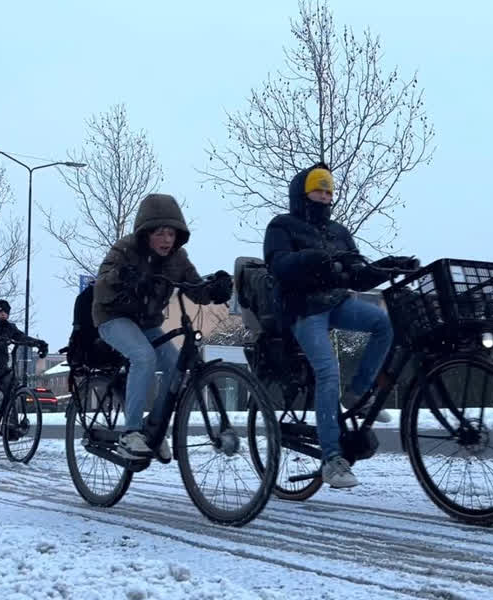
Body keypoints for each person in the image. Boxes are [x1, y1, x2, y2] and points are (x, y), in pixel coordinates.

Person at [263, 162, 400, 489]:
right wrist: (308, 259)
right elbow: (277, 264)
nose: (325, 196)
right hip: (302, 308)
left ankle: (356, 394)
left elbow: (356, 272)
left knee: (383, 324)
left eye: (328, 191)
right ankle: (331, 459)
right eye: (318, 189)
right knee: (327, 372)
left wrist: (386, 268)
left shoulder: (338, 232)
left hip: (335, 301)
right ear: (303, 192)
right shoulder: (282, 225)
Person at [93, 193, 233, 460]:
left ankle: (153, 429)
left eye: (171, 234)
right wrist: (122, 277)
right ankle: (130, 433)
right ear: (146, 233)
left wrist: (216, 289)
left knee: (175, 364)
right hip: (113, 318)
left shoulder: (178, 259)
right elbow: (101, 288)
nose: (167, 240)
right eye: (160, 233)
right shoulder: (125, 250)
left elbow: (197, 289)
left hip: (146, 323)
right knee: (143, 356)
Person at [0, 299, 49, 438]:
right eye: (0, 312)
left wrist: (38, 343)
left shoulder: (9, 327)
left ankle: (11, 425)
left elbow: (22, 337)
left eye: (5, 312)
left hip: (1, 367)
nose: (3, 314)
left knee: (12, 388)